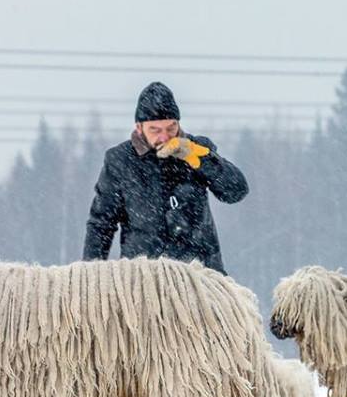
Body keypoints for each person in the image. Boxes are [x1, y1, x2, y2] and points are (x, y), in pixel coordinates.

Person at [82, 82, 248, 274]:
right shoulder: (120, 161)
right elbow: (101, 224)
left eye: (171, 128)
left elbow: (236, 191)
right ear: (139, 127)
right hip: (143, 281)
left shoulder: (197, 148)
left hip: (202, 278)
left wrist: (201, 160)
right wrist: (90, 276)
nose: (165, 137)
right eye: (155, 130)